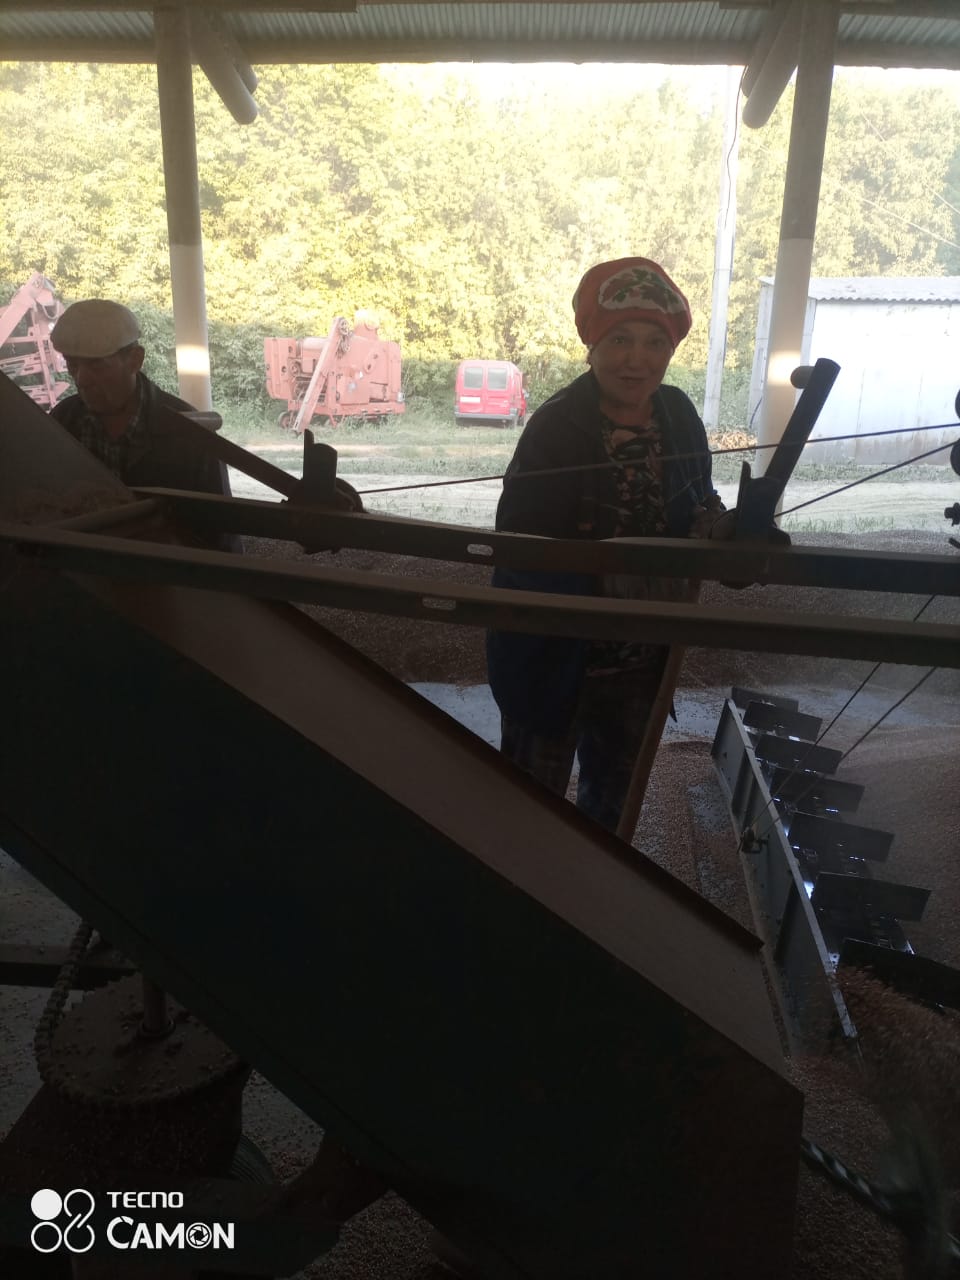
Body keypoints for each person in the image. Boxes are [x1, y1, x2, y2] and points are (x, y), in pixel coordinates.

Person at [486, 255, 727, 832]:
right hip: (553, 656)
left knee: (613, 812)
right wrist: (618, 577)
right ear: (591, 345)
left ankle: (597, 886)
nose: (636, 360)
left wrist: (720, 529)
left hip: (641, 662)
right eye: (620, 339)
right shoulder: (556, 426)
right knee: (527, 808)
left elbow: (699, 498)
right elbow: (517, 545)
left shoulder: (678, 415)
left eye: (654, 343)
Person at [50, 298, 232, 500]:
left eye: (97, 365)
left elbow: (219, 516)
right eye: (72, 364)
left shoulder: (190, 432)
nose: (81, 379)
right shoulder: (60, 423)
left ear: (135, 360)